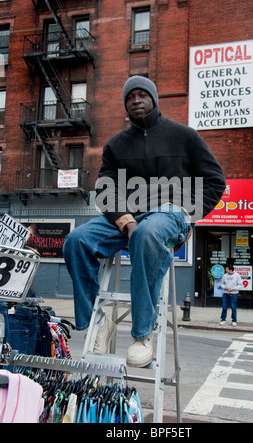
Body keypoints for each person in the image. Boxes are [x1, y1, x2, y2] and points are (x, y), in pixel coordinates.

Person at [63, 75, 226, 368]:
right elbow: (105, 188)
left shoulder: (184, 135)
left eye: (142, 95)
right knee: (76, 240)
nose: (136, 100)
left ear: (153, 98)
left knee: (147, 233)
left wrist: (190, 214)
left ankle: (142, 333)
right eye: (130, 97)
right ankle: (97, 322)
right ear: (126, 104)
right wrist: (125, 220)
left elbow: (215, 181)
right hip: (129, 215)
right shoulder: (116, 146)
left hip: (170, 214)